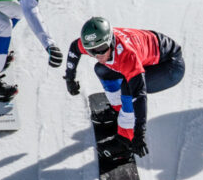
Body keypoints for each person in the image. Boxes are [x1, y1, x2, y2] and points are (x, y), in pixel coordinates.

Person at [63, 17, 185, 159]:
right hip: (150, 53)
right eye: (92, 51)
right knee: (101, 69)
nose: (98, 55)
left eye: (102, 49)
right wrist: (70, 78)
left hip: (170, 65)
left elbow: (139, 96)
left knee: (128, 86)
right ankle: (118, 110)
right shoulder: (98, 42)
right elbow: (74, 48)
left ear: (109, 41)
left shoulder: (127, 55)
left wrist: (139, 134)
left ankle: (126, 140)